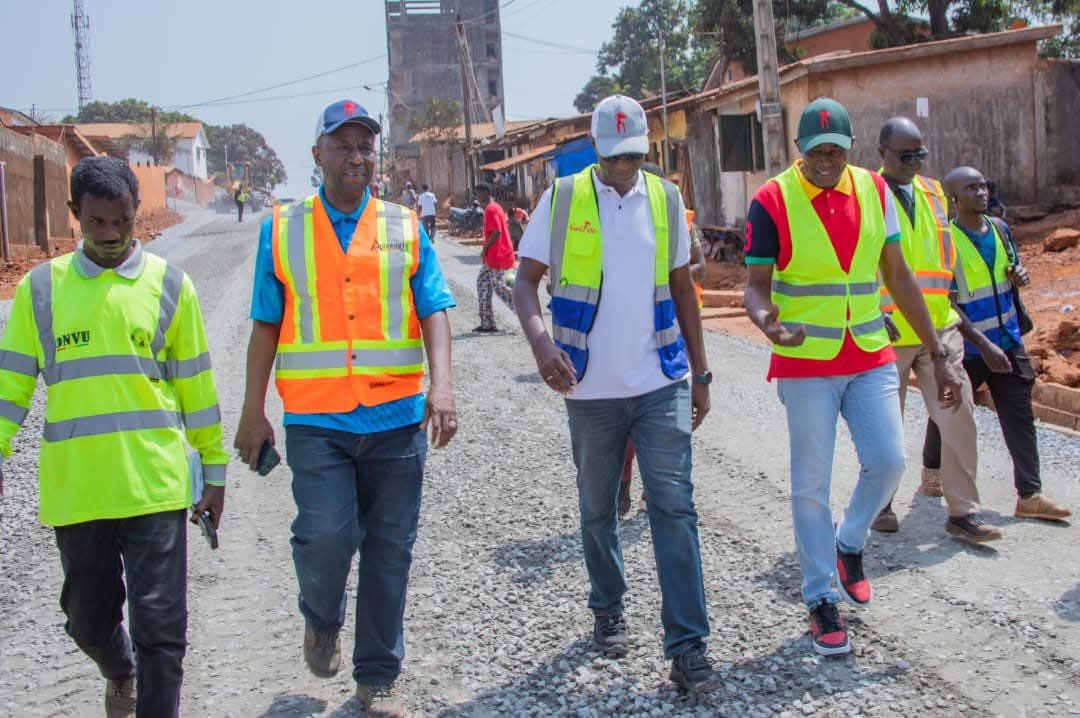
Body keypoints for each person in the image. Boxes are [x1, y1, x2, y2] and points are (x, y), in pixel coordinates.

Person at [233, 100, 457, 718]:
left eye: (365, 146)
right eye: (343, 145)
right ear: (318, 156)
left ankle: (378, 679)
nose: (357, 156)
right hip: (317, 420)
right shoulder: (281, 229)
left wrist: (442, 387)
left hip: (396, 419)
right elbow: (264, 326)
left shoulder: (405, 225)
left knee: (391, 549)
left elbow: (434, 307)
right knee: (327, 534)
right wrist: (252, 411)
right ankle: (322, 619)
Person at [0, 156, 228, 717]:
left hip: (156, 486)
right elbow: (10, 388)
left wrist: (215, 470)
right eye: (96, 222)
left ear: (137, 217)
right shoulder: (41, 291)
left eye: (121, 222)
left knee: (164, 634)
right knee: (88, 620)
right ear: (75, 214)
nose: (109, 235)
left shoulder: (170, 285)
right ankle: (117, 668)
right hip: (79, 494)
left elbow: (196, 387)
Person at [513, 95, 722, 693]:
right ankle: (607, 609)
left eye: (635, 156)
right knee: (598, 509)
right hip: (589, 390)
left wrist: (700, 375)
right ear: (596, 150)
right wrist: (540, 347)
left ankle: (688, 647)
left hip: (661, 382)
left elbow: (684, 291)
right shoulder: (562, 199)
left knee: (675, 508)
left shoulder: (666, 198)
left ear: (645, 150)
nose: (626, 167)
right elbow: (526, 286)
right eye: (615, 157)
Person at [743, 98, 965, 657]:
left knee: (889, 460)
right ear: (799, 152)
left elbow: (898, 274)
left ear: (851, 149)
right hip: (806, 361)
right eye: (816, 152)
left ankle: (849, 541)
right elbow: (755, 285)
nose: (826, 161)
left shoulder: (874, 190)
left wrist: (936, 348)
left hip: (868, 350)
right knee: (810, 484)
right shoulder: (771, 200)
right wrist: (766, 320)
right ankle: (821, 598)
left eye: (836, 152)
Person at [870, 117, 1002, 542]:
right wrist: (871, 310)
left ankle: (963, 512)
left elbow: (943, 257)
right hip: (888, 330)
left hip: (938, 326)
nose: (913, 162)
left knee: (958, 414)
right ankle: (881, 501)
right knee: (884, 424)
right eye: (904, 154)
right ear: (882, 152)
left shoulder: (932, 193)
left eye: (919, 154)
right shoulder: (866, 195)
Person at [941, 166, 1071, 523]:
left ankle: (1029, 494)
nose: (982, 192)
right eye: (971, 188)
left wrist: (1020, 275)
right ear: (954, 199)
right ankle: (932, 472)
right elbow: (947, 304)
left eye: (983, 186)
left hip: (1008, 341)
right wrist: (983, 346)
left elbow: (1011, 272)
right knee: (949, 416)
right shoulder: (946, 241)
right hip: (967, 348)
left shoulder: (1000, 229)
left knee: (1019, 415)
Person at [616, 162, 708, 519]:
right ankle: (623, 485)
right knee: (630, 421)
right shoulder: (625, 225)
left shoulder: (683, 221)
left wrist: (673, 277)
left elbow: (700, 267)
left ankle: (663, 491)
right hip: (638, 332)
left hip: (680, 332)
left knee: (675, 417)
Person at [474, 182, 516, 333]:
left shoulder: (491, 209)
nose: (477, 197)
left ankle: (525, 312)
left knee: (500, 288)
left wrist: (485, 248)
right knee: (482, 282)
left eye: (478, 193)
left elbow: (496, 232)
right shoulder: (494, 207)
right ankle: (487, 322)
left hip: (498, 255)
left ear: (486, 193)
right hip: (493, 256)